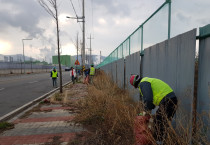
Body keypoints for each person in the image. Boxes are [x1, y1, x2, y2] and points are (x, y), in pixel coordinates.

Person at [130, 75, 178, 143]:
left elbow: (148, 99)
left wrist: (145, 112)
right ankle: (164, 141)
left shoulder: (143, 83)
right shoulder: (147, 81)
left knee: (158, 122)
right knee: (163, 123)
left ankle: (159, 142)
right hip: (171, 100)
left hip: (168, 101)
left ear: (135, 85)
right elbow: (151, 102)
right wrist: (147, 111)